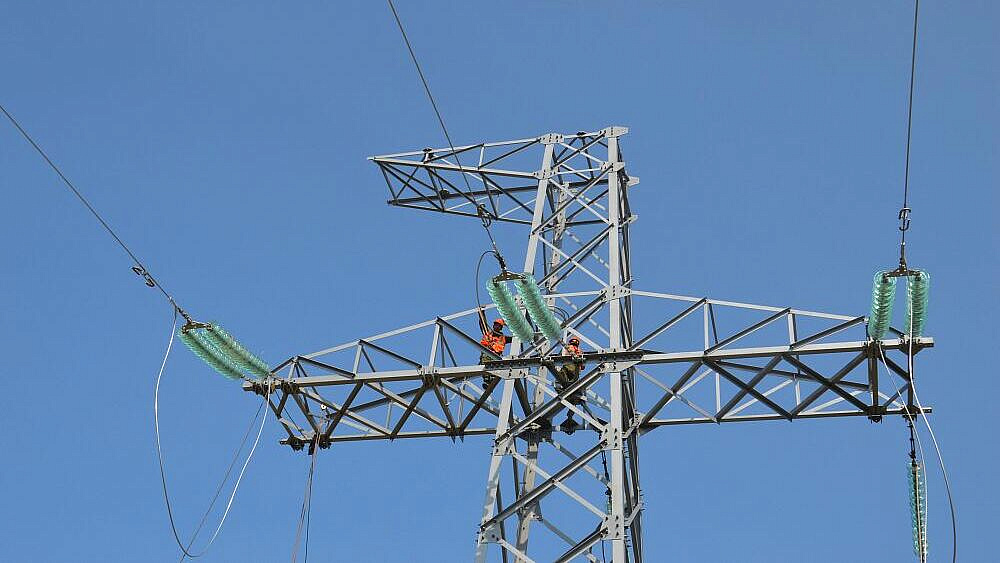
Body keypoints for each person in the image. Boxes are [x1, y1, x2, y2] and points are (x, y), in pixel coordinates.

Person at [478, 307, 512, 387]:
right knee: (486, 368)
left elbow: (515, 338)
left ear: (501, 328)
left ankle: (491, 383)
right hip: (486, 355)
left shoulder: (503, 338)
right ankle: (487, 382)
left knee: (494, 370)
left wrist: (512, 325)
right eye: (495, 325)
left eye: (499, 326)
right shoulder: (488, 334)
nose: (496, 327)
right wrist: (481, 312)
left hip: (496, 357)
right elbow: (482, 323)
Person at [554, 336, 586, 406]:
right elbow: (583, 365)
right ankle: (571, 391)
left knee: (561, 380)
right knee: (570, 381)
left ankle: (565, 391)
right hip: (574, 370)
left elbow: (561, 357)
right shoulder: (579, 350)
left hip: (569, 367)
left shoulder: (569, 348)